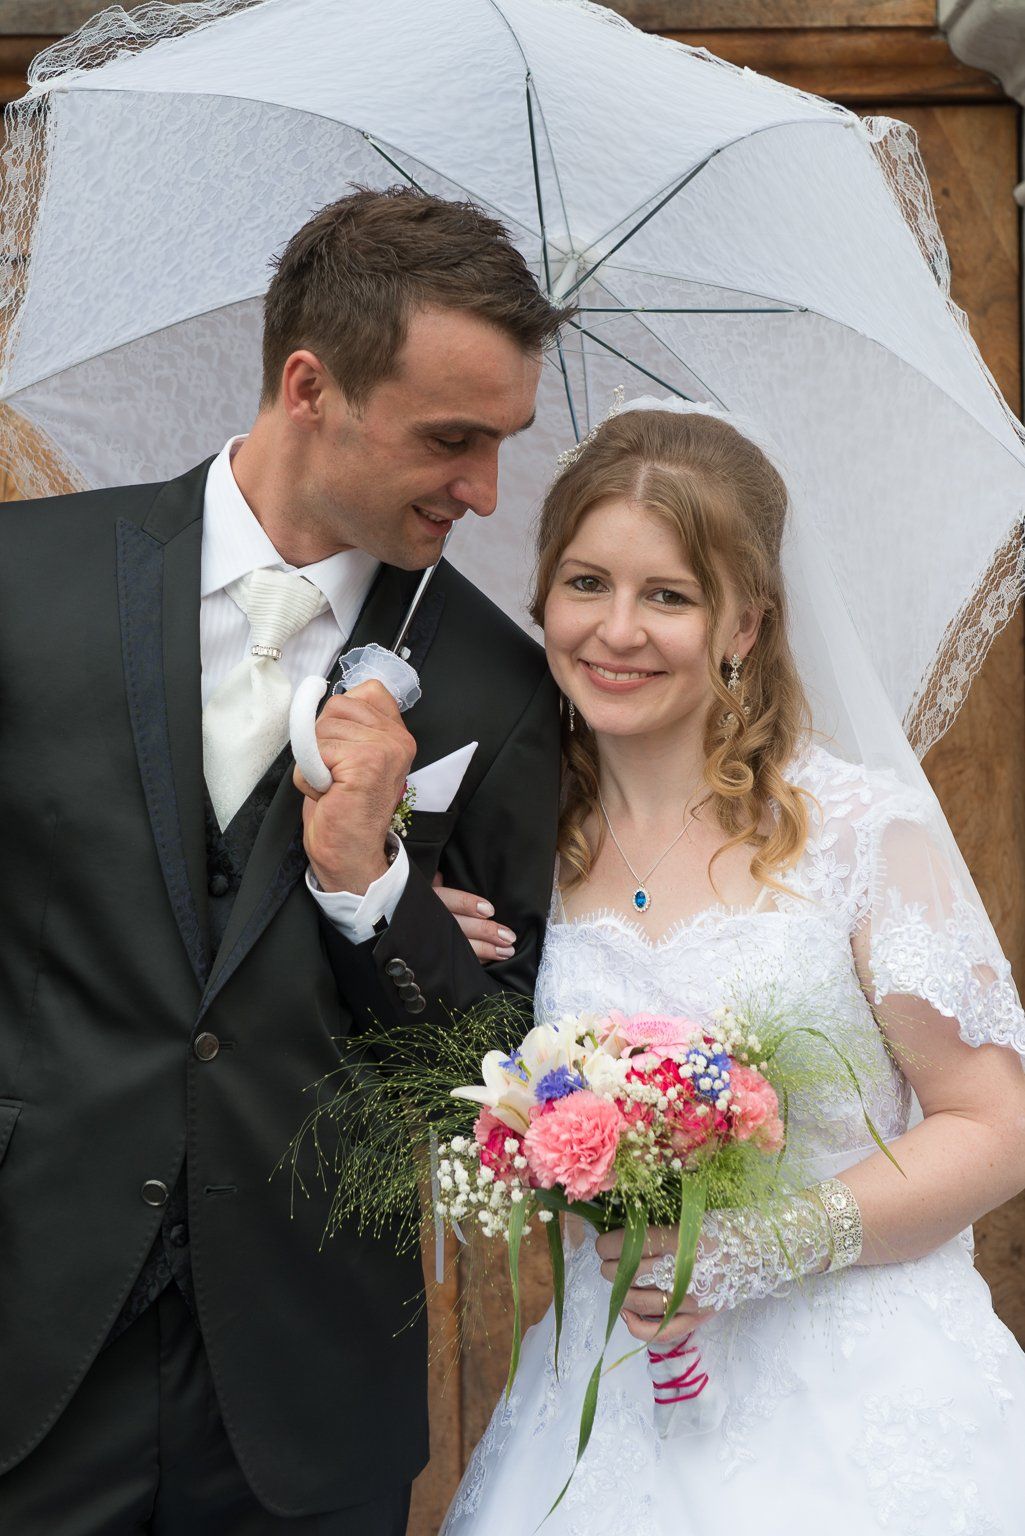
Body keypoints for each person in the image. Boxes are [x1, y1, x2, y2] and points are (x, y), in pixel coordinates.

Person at [0, 186, 571, 1534]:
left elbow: (494, 1074)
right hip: (26, 1331)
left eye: (502, 444)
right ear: (310, 386)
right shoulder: (21, 581)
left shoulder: (501, 689)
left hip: (306, 1387)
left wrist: (378, 896)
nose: (484, 492)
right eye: (450, 439)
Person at [435, 400, 1025, 1534]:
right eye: (586, 583)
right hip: (608, 1402)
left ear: (744, 622)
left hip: (858, 1399)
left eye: (668, 595)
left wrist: (748, 1252)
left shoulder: (857, 833)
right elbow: (463, 1098)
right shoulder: (510, 854)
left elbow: (994, 1124)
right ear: (543, 596)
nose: (615, 630)